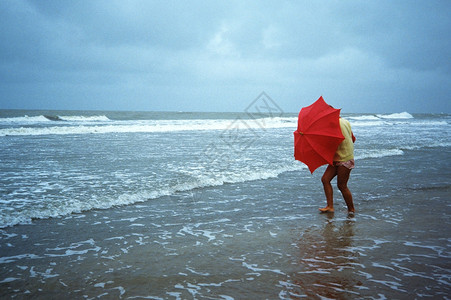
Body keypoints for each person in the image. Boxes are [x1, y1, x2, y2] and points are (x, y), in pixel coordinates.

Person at [319, 117, 356, 214]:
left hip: (345, 158)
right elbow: (353, 138)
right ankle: (330, 206)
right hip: (337, 158)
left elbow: (331, 142)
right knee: (325, 179)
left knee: (342, 185)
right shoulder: (345, 122)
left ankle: (351, 209)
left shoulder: (333, 125)